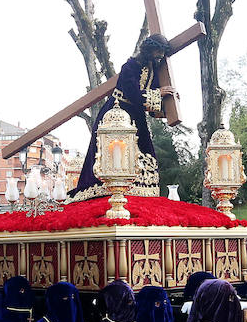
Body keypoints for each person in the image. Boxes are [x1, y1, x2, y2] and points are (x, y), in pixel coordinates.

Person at [69, 35, 174, 200]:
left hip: (137, 116)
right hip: (117, 112)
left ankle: (140, 190)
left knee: (143, 150)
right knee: (109, 152)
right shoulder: (130, 66)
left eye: (162, 52)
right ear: (149, 50)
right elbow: (133, 94)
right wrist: (158, 93)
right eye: (157, 51)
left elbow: (152, 103)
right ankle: (105, 188)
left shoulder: (154, 70)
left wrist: (167, 101)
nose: (159, 55)